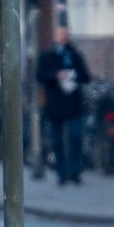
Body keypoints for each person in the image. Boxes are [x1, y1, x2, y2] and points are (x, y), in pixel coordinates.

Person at [35, 25, 92, 184]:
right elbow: (40, 76)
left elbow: (85, 76)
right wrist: (56, 76)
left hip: (73, 102)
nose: (64, 38)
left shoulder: (75, 55)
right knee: (57, 140)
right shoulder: (47, 56)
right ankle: (61, 172)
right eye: (61, 35)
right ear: (56, 37)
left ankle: (75, 171)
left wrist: (74, 76)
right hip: (55, 104)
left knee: (75, 136)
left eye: (66, 35)